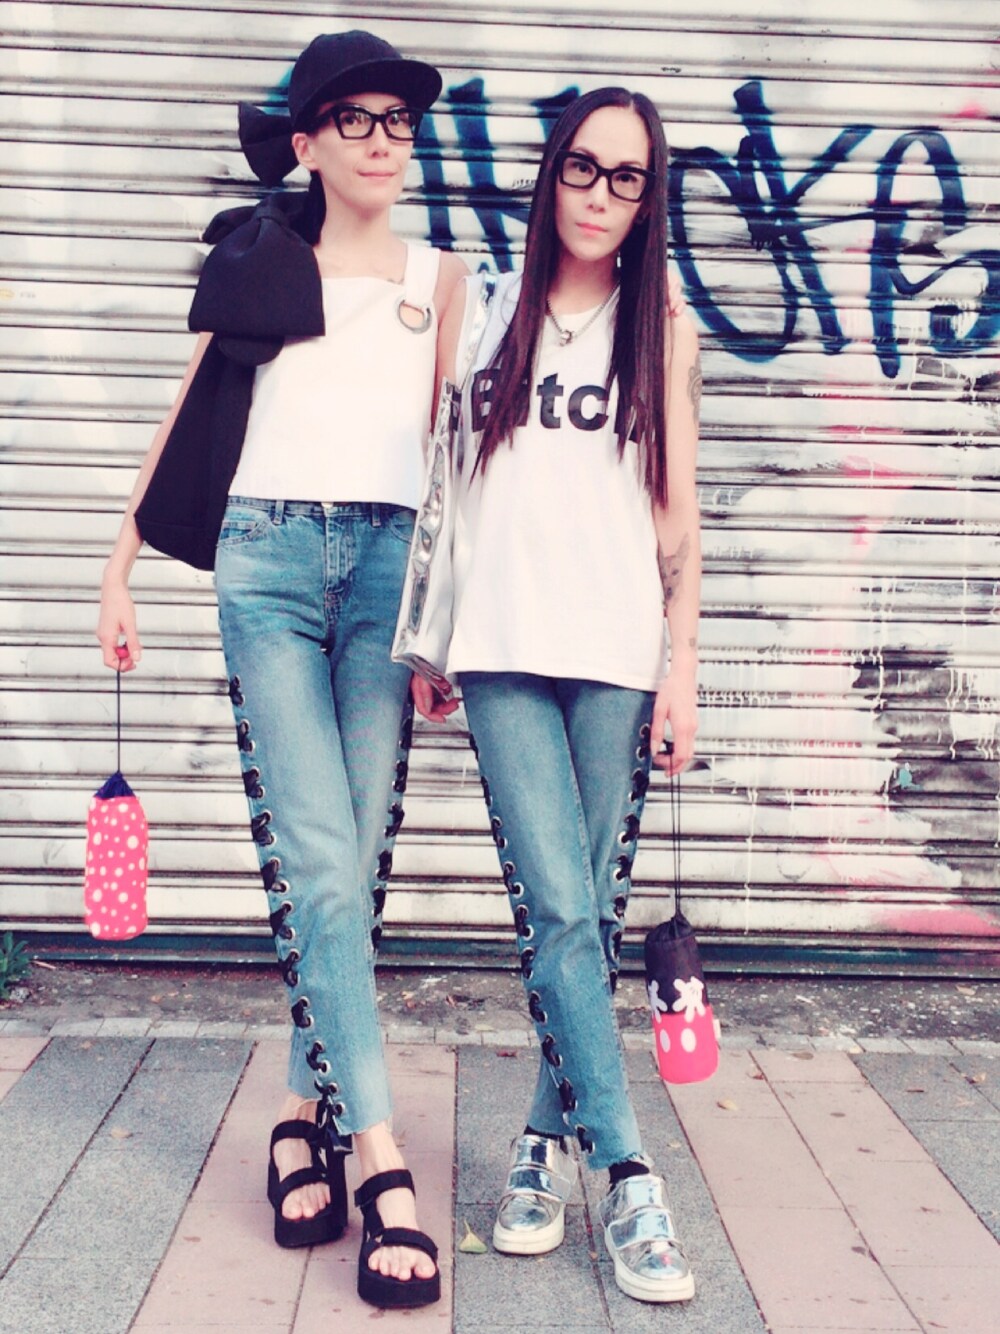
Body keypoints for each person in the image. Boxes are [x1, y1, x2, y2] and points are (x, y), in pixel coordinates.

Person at [97, 30, 466, 1310]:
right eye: (352, 119)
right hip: (265, 562)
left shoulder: (441, 277)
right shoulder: (262, 258)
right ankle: (381, 1160)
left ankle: (301, 1112)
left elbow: (449, 463)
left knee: (352, 859)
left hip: (385, 573)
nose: (380, 139)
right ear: (306, 141)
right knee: (317, 851)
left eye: (397, 120)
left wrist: (444, 627)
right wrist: (119, 562)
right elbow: (192, 403)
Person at [416, 86, 701, 1304]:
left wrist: (682, 662)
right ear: (552, 175)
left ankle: (540, 1140)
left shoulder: (661, 327)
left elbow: (676, 513)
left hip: (617, 650)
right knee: (559, 902)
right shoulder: (483, 311)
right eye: (582, 167)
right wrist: (427, 637)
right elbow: (441, 477)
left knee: (576, 910)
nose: (598, 193)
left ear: (647, 199)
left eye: (625, 177)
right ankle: (629, 1171)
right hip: (500, 647)